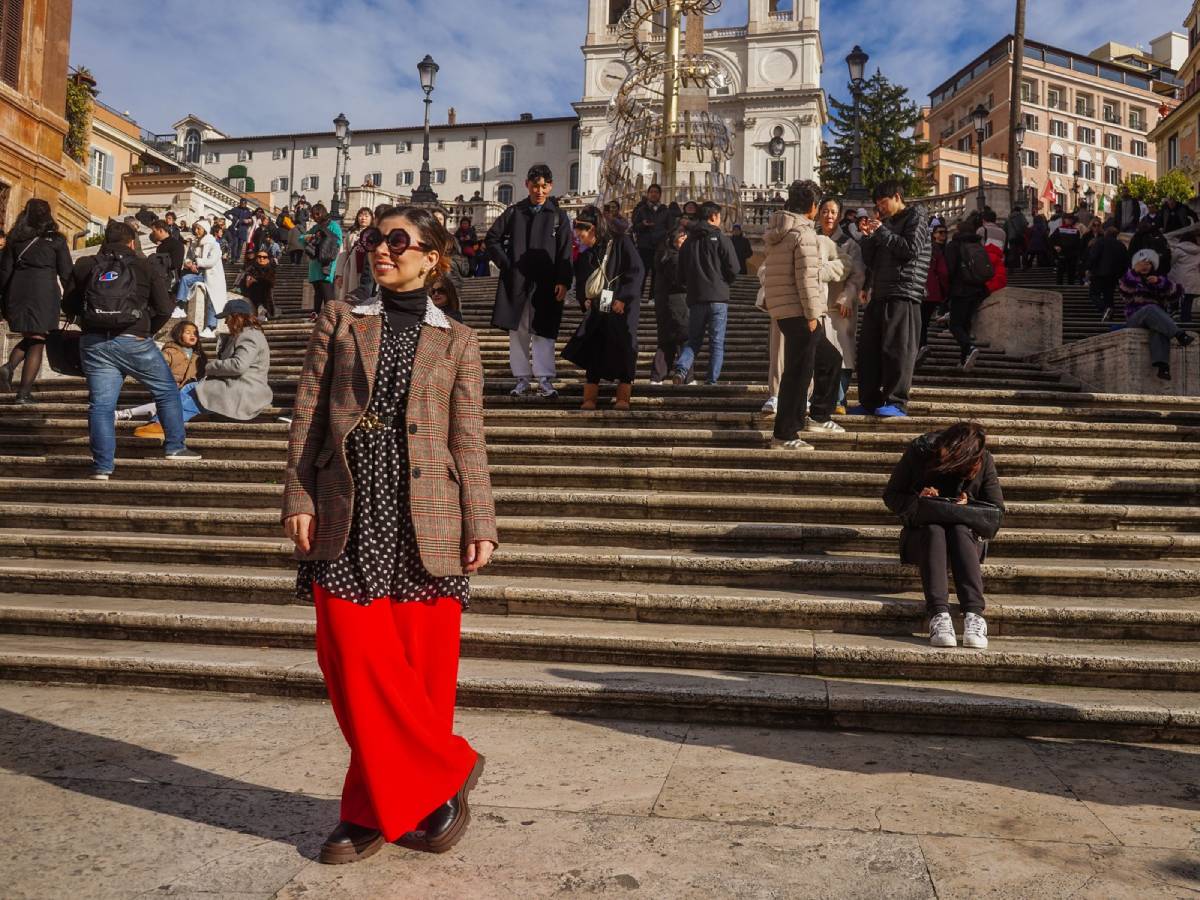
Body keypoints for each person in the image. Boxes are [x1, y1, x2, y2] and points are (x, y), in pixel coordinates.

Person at [282, 205, 497, 865]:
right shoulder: (342, 319)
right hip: (349, 506)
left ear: (432, 257)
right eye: (377, 238)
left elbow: (469, 436)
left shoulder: (457, 339)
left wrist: (481, 519)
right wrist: (297, 492)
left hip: (426, 510)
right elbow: (310, 413)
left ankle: (374, 807)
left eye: (399, 240)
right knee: (350, 661)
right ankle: (448, 766)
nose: (382, 248)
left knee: (421, 670)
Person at [63, 220, 201, 478]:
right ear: (131, 242)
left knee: (101, 406)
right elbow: (164, 307)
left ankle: (102, 467)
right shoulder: (144, 265)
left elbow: (68, 305)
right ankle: (174, 447)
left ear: (104, 241)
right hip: (135, 339)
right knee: (167, 391)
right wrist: (146, 330)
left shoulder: (85, 265)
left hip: (94, 343)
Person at [883, 421, 1005, 650]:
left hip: (965, 542)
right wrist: (918, 497)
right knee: (934, 528)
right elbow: (891, 495)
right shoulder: (920, 452)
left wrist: (970, 504)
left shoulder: (983, 459)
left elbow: (996, 511)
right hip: (922, 538)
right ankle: (939, 614)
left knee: (958, 529)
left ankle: (974, 614)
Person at [760, 180, 844, 450]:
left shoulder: (779, 230)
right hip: (801, 311)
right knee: (798, 373)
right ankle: (785, 434)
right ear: (812, 206)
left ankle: (818, 416)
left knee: (830, 359)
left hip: (785, 310)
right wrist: (812, 315)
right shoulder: (803, 233)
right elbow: (806, 278)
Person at [485, 164, 573, 399]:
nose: (539, 191)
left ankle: (545, 379)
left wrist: (564, 280)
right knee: (519, 331)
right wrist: (507, 264)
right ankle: (522, 378)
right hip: (517, 281)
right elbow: (492, 239)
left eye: (544, 186)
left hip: (546, 282)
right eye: (535, 186)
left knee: (544, 331)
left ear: (551, 186)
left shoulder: (558, 215)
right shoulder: (515, 212)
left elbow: (565, 251)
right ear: (527, 185)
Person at [131, 298, 273, 436]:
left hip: (245, 390)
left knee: (194, 390)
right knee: (191, 388)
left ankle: (163, 424)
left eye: (227, 318)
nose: (225, 322)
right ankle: (160, 422)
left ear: (236, 317)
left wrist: (210, 366)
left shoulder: (249, 336)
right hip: (236, 386)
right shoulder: (245, 335)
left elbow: (238, 365)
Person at [853, 181, 931, 418]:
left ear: (897, 197)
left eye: (883, 203)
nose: (880, 209)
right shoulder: (883, 226)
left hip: (904, 292)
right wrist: (867, 237)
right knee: (868, 350)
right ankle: (868, 401)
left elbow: (910, 249)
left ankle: (896, 402)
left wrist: (882, 232)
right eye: (877, 205)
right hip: (880, 292)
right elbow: (871, 260)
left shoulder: (917, 216)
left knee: (898, 350)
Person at [570, 206, 643, 411]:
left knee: (624, 346)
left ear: (592, 229)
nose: (580, 239)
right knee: (595, 344)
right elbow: (583, 280)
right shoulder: (589, 252)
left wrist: (623, 298)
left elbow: (637, 271)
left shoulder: (621, 242)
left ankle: (623, 396)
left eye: (582, 234)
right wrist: (584, 299)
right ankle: (590, 398)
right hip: (599, 304)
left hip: (622, 305)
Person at [0, 199, 73, 402]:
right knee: (39, 341)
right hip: (44, 292)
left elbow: (5, 271)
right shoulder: (57, 240)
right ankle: (23, 392)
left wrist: (4, 300)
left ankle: (8, 368)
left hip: (18, 291)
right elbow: (67, 273)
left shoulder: (15, 239)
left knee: (34, 337)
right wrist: (73, 300)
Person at [671, 201, 739, 385]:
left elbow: (680, 273)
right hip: (718, 298)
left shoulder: (688, 242)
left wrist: (690, 285)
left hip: (696, 298)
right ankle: (711, 380)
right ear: (714, 217)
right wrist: (724, 282)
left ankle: (681, 369)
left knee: (694, 340)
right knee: (716, 342)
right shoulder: (722, 239)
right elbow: (734, 267)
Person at [818, 197, 866, 415]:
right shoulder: (811, 239)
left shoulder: (849, 244)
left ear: (839, 216)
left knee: (843, 351)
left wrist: (847, 296)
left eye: (834, 212)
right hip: (815, 304)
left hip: (840, 306)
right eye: (825, 211)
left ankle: (838, 398)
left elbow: (857, 275)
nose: (829, 216)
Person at [1120, 249, 1194, 380]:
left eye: (1148, 264)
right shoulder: (1130, 278)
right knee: (1150, 308)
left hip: (1156, 319)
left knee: (1158, 327)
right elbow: (1124, 291)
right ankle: (1179, 334)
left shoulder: (1158, 280)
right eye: (1142, 263)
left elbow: (1176, 293)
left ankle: (1163, 367)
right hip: (1135, 319)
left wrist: (1160, 282)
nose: (1145, 266)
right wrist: (1133, 273)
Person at [115, 320, 207, 419]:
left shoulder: (199, 357)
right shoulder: (170, 351)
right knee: (169, 404)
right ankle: (127, 412)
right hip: (169, 388)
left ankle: (154, 413)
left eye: (195, 333)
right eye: (188, 332)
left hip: (188, 391)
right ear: (179, 334)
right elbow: (158, 368)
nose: (192, 335)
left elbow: (202, 375)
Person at [943, 217, 993, 371]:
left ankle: (969, 348)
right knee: (965, 325)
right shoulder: (977, 244)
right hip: (977, 290)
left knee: (955, 324)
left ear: (958, 231)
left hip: (961, 290)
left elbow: (949, 270)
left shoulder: (954, 245)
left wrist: (946, 292)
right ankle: (964, 358)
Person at [650, 226, 690, 384]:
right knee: (684, 340)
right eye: (682, 238)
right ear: (673, 241)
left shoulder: (664, 256)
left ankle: (658, 376)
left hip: (667, 305)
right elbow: (681, 281)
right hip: (677, 305)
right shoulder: (674, 258)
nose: (685, 241)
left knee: (667, 342)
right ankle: (686, 376)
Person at [175, 218, 226, 336]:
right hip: (200, 275)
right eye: (195, 228)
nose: (196, 231)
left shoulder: (214, 244)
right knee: (185, 279)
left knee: (213, 300)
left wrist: (196, 263)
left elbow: (211, 261)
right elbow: (188, 257)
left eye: (199, 228)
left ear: (205, 230)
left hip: (213, 277)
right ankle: (180, 306)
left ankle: (211, 327)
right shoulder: (194, 243)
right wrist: (188, 263)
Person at [919, 222, 950, 365]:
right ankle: (922, 345)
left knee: (917, 321)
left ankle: (919, 346)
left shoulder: (916, 248)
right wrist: (944, 291)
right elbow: (943, 273)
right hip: (932, 293)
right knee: (924, 321)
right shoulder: (936, 250)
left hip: (917, 290)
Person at [305, 203, 343, 318]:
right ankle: (316, 315)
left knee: (327, 293)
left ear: (323, 212)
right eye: (313, 214)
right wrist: (310, 237)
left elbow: (337, 243)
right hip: (315, 264)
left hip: (326, 264)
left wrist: (323, 237)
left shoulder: (333, 226)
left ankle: (330, 318)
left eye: (317, 213)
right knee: (318, 292)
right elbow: (301, 238)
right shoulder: (315, 227)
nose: (315, 217)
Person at [631, 184, 670, 295]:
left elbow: (670, 228)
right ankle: (639, 294)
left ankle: (653, 296)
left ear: (660, 195)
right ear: (648, 194)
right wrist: (642, 225)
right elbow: (634, 227)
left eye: (656, 192)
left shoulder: (665, 211)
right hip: (645, 245)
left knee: (657, 272)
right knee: (642, 270)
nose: (654, 194)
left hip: (660, 246)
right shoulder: (642, 210)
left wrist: (663, 235)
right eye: (651, 192)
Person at [1087, 225, 1130, 322]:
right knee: (1109, 295)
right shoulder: (1121, 245)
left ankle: (1104, 308)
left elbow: (1093, 257)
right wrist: (1121, 274)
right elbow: (1125, 261)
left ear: (1106, 233)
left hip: (1099, 273)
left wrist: (1089, 268)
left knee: (1094, 294)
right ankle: (1109, 315)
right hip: (1114, 275)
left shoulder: (1100, 242)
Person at [335, 207, 375, 301]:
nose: (363, 218)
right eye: (361, 215)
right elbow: (343, 252)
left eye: (366, 216)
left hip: (368, 272)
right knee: (350, 297)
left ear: (371, 218)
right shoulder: (351, 233)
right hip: (351, 269)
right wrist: (339, 274)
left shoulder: (375, 233)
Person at [149, 219, 185, 299]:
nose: (153, 234)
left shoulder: (176, 245)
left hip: (169, 285)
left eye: (154, 231)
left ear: (161, 231)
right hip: (159, 282)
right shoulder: (161, 246)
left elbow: (176, 264)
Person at [1169, 234, 1200, 324]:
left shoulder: (1178, 250)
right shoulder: (1198, 251)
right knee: (1188, 300)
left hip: (1180, 278)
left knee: (1177, 296)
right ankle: (1186, 318)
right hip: (1194, 277)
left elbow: (1171, 262)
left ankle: (1175, 314)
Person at [240, 249, 277, 320]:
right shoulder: (251, 268)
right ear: (256, 258)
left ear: (268, 259)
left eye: (264, 257)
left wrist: (255, 279)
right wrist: (247, 283)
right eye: (259, 256)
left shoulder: (271, 269)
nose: (261, 259)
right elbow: (244, 283)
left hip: (266, 298)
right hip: (252, 298)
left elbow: (270, 282)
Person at [1050, 211, 1082, 286]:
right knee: (1060, 272)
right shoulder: (1059, 229)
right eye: (1068, 219)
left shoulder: (1075, 231)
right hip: (1062, 254)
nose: (1069, 221)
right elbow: (1051, 240)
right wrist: (1055, 246)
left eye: (1071, 219)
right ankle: (1060, 286)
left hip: (1072, 255)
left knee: (1071, 272)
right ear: (1065, 220)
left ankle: (1070, 286)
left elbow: (1078, 243)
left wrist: (1078, 254)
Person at [224, 199, 254, 264]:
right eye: (242, 203)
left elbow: (252, 220)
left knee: (240, 245)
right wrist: (231, 218)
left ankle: (237, 258)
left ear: (246, 204)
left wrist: (249, 221)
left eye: (244, 203)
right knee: (235, 244)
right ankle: (233, 258)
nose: (243, 204)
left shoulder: (248, 211)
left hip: (243, 230)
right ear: (240, 203)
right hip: (235, 230)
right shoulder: (235, 209)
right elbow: (226, 213)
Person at [1004, 203, 1028, 269]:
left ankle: (1012, 266)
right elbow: (1025, 224)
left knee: (1013, 251)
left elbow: (1005, 228)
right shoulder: (1021, 216)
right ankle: (1024, 265)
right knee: (1024, 250)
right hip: (1020, 236)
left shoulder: (1009, 218)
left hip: (1011, 237)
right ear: (1019, 210)